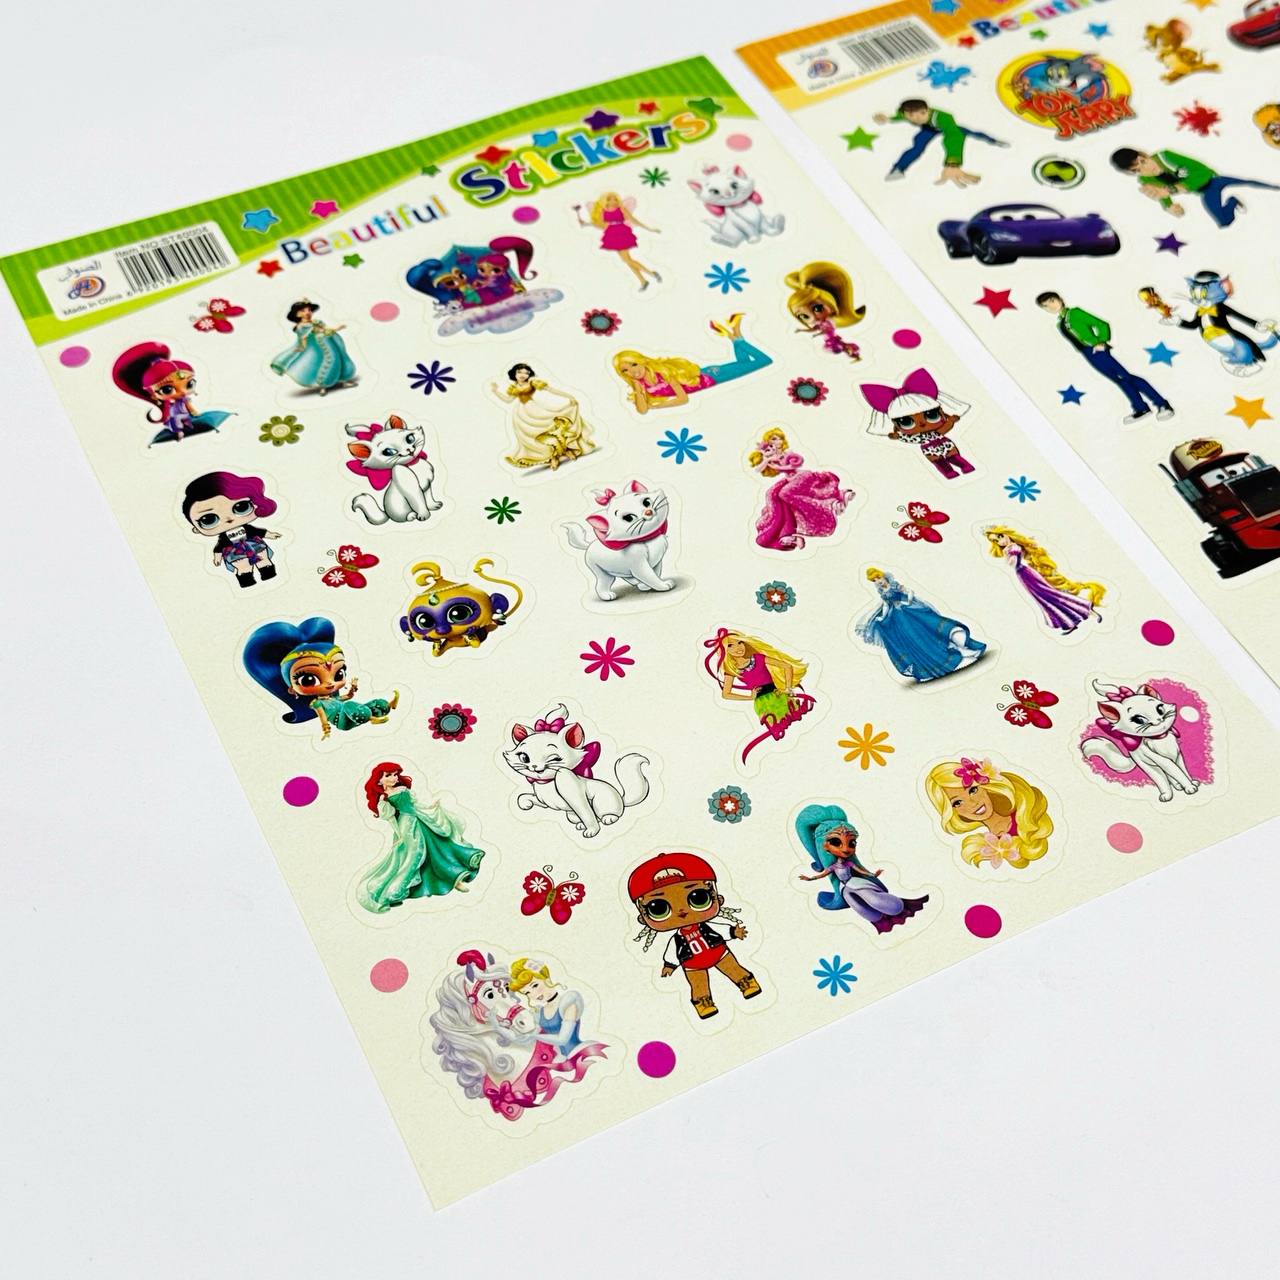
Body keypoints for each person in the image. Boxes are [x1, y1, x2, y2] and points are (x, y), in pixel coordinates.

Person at [357, 763, 484, 911]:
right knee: (414, 857)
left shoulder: (403, 789)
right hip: (406, 826)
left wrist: (431, 808)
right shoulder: (384, 799)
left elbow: (416, 805)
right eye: (388, 775)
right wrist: (399, 835)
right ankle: (441, 881)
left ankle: (455, 878)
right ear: (379, 781)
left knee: (438, 847)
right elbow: (391, 819)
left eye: (395, 774)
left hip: (420, 819)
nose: (393, 778)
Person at [1036, 291, 1173, 423]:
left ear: (1060, 299)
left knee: (1126, 377)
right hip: (1088, 354)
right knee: (1119, 380)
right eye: (1046, 306)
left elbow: (1101, 324)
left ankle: (1163, 404)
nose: (1051, 306)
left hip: (1096, 350)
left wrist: (1101, 342)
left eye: (1052, 301)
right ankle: (1141, 408)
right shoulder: (1060, 323)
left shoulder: (1074, 313)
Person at [794, 803, 928, 929]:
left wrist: (872, 875)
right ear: (825, 846)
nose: (846, 849)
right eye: (836, 842)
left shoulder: (849, 863)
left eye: (851, 843)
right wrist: (809, 878)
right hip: (846, 887)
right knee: (855, 900)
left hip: (854, 882)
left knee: (869, 897)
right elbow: (823, 874)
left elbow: (860, 870)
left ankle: (891, 910)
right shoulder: (833, 867)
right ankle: (880, 918)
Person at [856, 568, 986, 682]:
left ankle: (960, 649)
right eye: (874, 580)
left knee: (928, 629)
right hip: (898, 617)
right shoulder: (882, 592)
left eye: (878, 577)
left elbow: (909, 592)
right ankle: (927, 668)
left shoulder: (894, 585)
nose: (877, 581)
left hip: (910, 612)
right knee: (913, 640)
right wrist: (881, 617)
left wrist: (908, 601)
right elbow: (886, 605)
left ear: (883, 576)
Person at [1109, 146, 1279, 228]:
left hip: (1213, 179)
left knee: (1254, 183)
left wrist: (1172, 190)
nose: (1146, 169)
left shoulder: (1166, 156)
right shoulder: (1145, 179)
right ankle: (1233, 202)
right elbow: (1161, 195)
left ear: (1144, 155)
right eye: (1137, 170)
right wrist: (1169, 206)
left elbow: (1202, 172)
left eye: (1143, 162)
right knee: (1224, 222)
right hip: (1205, 192)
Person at [873, 97, 1007, 186]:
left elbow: (953, 137)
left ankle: (993, 141)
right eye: (911, 116)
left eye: (922, 114)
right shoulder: (905, 113)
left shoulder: (944, 118)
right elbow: (900, 116)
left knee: (970, 132)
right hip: (929, 129)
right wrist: (887, 119)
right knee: (917, 147)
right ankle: (898, 169)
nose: (917, 119)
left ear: (927, 110)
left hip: (946, 127)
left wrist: (952, 163)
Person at [270, 299, 357, 394]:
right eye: (303, 311)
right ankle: (324, 385)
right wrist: (303, 347)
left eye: (309, 310)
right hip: (318, 347)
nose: (307, 312)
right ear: (298, 315)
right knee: (329, 360)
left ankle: (345, 380)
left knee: (340, 357)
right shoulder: (302, 326)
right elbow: (305, 337)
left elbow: (324, 330)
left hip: (326, 342)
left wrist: (333, 330)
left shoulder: (315, 322)